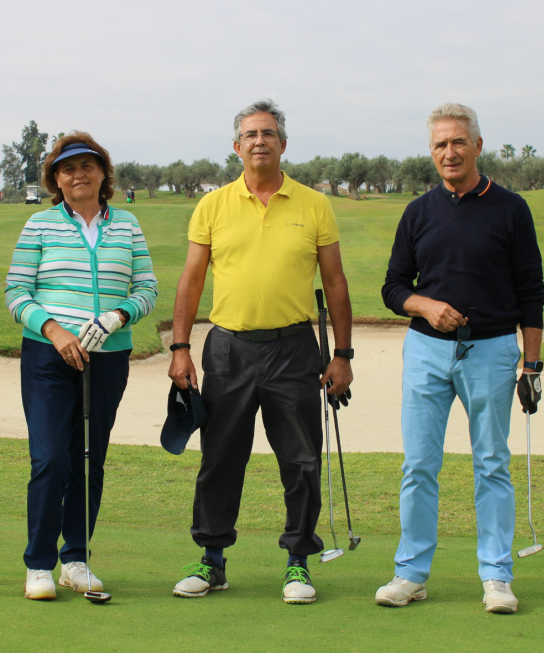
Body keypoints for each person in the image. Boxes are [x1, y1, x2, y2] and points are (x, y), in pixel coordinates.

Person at [168, 99, 354, 605]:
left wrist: (342, 354)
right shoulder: (213, 205)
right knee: (220, 458)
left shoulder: (313, 204)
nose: (259, 141)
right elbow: (191, 280)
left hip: (293, 349)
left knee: (301, 460)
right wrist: (181, 347)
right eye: (250, 134)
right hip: (228, 348)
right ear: (237, 147)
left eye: (268, 133)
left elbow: (335, 282)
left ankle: (298, 562)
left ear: (283, 144)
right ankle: (212, 560)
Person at [379, 103, 544, 613]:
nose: (448, 153)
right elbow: (393, 287)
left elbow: (531, 291)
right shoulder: (418, 212)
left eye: (457, 142)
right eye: (439, 145)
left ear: (477, 145)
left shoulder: (511, 208)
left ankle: (497, 576)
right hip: (426, 351)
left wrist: (532, 366)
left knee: (492, 463)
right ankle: (411, 573)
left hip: (491, 351)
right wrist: (425, 305)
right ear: (431, 152)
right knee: (418, 465)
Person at [5, 132, 157, 601]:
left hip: (108, 358)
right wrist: (53, 330)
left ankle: (75, 559)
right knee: (50, 458)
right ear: (56, 179)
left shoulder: (127, 225)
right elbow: (16, 292)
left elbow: (147, 288)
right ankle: (39, 564)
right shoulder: (39, 225)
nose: (78, 175)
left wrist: (119, 316)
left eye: (87, 166)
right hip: (49, 357)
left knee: (89, 460)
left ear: (102, 173)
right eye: (67, 168)